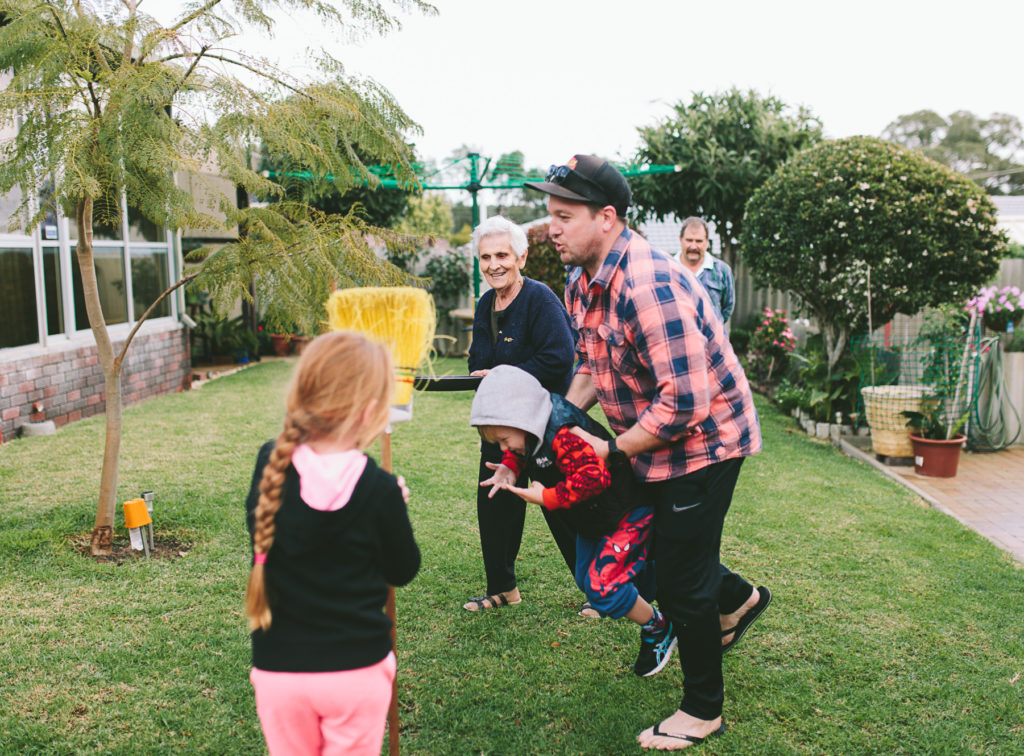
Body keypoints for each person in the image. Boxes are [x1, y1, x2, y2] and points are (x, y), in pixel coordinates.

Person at [525, 155, 772, 750]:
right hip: (653, 438)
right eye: (549, 214)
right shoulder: (583, 276)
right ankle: (740, 600)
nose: (551, 227)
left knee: (683, 579)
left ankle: (702, 709)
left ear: (606, 218)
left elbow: (686, 403)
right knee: (660, 549)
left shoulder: (648, 284)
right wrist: (553, 419)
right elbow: (591, 361)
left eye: (565, 215)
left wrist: (610, 452)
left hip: (706, 443)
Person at [245, 331, 420, 756]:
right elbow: (403, 569)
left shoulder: (271, 462)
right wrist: (392, 507)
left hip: (278, 670)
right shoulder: (377, 489)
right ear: (370, 412)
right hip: (355, 672)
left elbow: (261, 534)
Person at [469, 365, 675, 677]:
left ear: (520, 418)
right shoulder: (530, 427)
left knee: (602, 587)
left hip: (625, 514)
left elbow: (594, 478)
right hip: (596, 519)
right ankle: (649, 580)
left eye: (503, 439)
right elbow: (522, 448)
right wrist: (509, 466)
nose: (503, 447)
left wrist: (546, 497)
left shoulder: (564, 435)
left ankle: (660, 625)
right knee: (587, 582)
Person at [464, 215, 577, 612]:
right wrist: (484, 373)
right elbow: (477, 361)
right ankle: (503, 589)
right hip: (502, 427)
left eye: (501, 255)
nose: (493, 264)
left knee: (566, 512)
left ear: (521, 257)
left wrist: (502, 374)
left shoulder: (540, 299)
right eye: (485, 257)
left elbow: (560, 358)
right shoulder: (485, 304)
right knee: (495, 502)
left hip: (545, 424)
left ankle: (603, 592)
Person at [677, 216, 735, 327]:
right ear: (680, 240)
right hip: (676, 340)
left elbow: (727, 308)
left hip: (710, 342)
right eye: (689, 240)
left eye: (699, 241)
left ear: (707, 242)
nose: (693, 246)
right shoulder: (669, 269)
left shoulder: (722, 271)